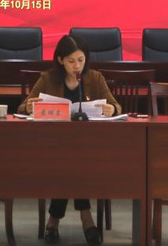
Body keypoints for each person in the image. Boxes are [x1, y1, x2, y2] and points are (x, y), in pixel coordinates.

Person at [18, 34, 121, 245]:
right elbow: (22, 107)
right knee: (70, 162)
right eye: (71, 61)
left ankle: (53, 221)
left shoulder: (95, 78)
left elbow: (116, 106)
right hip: (53, 146)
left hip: (89, 146)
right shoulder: (48, 78)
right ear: (60, 60)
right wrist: (29, 107)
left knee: (72, 162)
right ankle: (86, 218)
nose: (77, 66)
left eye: (81, 60)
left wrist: (112, 109)